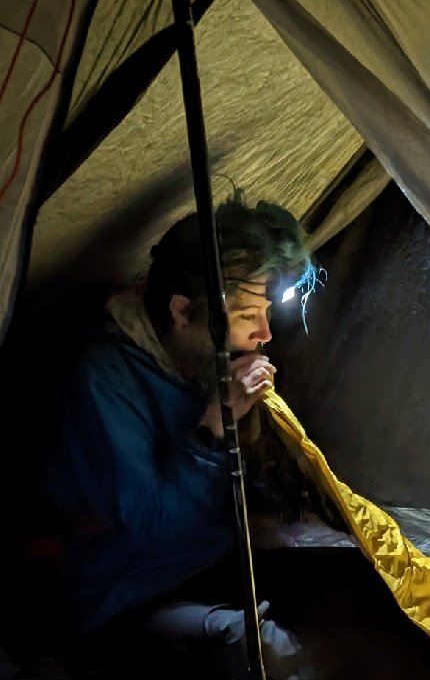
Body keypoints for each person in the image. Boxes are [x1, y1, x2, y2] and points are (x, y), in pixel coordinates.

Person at [38, 195, 319, 643]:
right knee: (265, 653)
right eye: (248, 316)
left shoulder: (209, 362)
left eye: (265, 314)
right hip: (127, 592)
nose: (264, 334)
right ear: (182, 312)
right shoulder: (103, 376)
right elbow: (150, 525)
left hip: (211, 561)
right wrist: (214, 427)